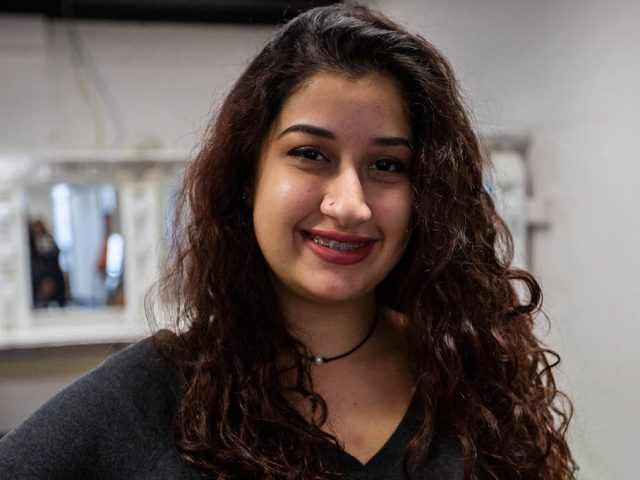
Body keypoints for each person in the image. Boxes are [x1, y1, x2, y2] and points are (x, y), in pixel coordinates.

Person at [0, 4, 576, 479]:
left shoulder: (468, 373)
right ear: (249, 176)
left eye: (387, 164)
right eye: (310, 154)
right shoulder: (153, 394)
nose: (349, 203)